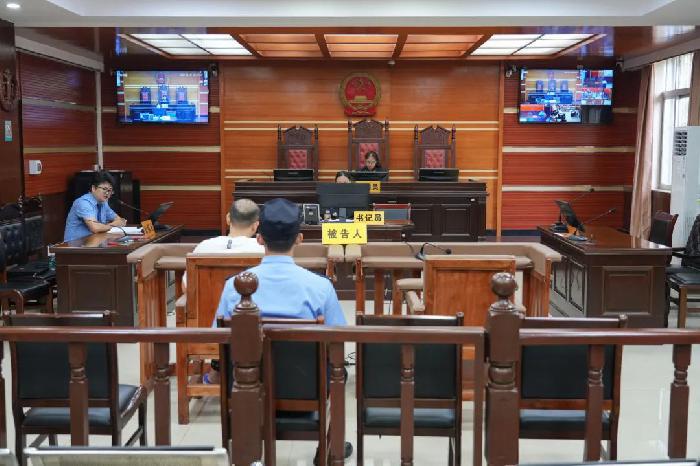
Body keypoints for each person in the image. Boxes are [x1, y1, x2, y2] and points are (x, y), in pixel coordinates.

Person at [212, 198, 351, 462]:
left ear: (259, 239)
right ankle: (330, 446)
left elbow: (218, 343)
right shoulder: (320, 287)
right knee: (338, 372)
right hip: (305, 394)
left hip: (246, 394)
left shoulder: (234, 286)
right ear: (299, 239)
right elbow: (338, 343)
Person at [181, 198, 264, 291]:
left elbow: (186, 287)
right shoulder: (262, 250)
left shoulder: (203, 246)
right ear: (255, 225)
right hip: (248, 300)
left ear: (228, 218)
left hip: (210, 300)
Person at [64, 171, 126, 241]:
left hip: (94, 242)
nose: (107, 193)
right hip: (75, 245)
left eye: (110, 190)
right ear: (93, 188)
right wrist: (112, 225)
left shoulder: (103, 203)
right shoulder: (83, 203)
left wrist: (108, 226)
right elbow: (95, 228)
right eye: (104, 189)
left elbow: (120, 221)